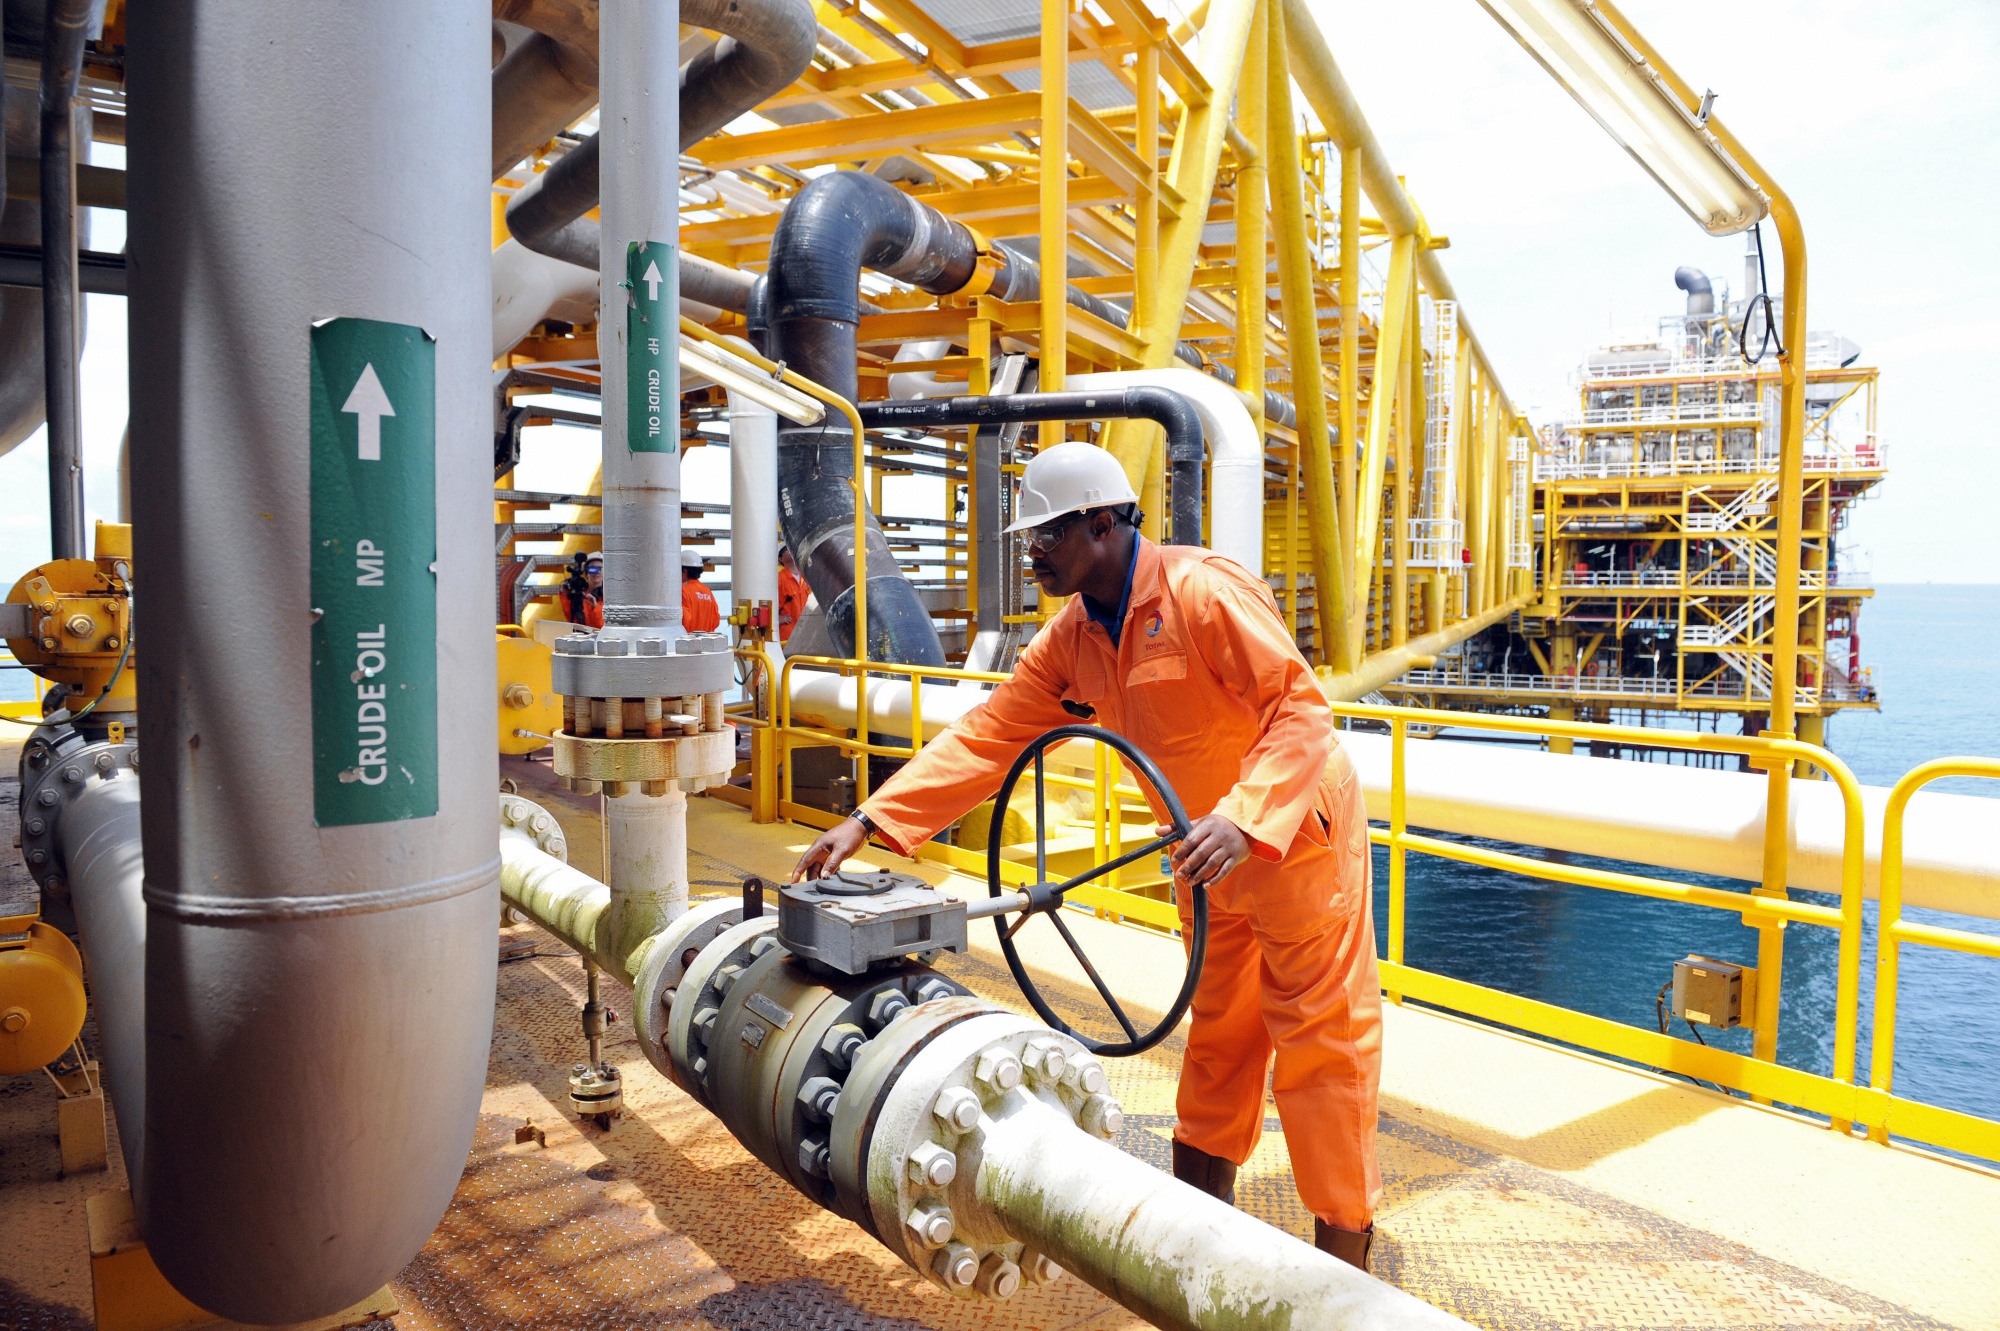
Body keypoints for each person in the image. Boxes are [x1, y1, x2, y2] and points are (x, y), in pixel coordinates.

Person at [790, 441, 1381, 1268]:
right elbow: (992, 735)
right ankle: (1199, 1251)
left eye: (1047, 536)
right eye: (1029, 537)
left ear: (1103, 524)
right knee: (1218, 1040)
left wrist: (1243, 819)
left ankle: (1348, 1274)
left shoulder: (1201, 590)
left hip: (1294, 842)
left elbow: (1301, 711)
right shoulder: (1075, 635)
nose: (1031, 552)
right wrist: (870, 819)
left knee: (1320, 1052)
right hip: (1208, 859)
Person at [560, 550, 605, 628]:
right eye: (592, 569)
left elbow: (605, 627)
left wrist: (595, 607)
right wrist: (565, 596)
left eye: (600, 568)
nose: (596, 572)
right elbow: (571, 619)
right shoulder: (580, 594)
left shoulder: (611, 597)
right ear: (586, 571)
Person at [681, 548, 721, 632]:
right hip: (707, 642)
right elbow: (715, 620)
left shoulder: (682, 591)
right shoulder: (707, 591)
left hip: (688, 641)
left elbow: (685, 620)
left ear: (684, 571)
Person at [777, 544, 809, 643]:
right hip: (787, 635)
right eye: (786, 550)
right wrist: (778, 619)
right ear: (781, 559)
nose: (790, 550)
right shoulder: (779, 578)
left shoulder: (806, 577)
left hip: (805, 633)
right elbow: (769, 604)